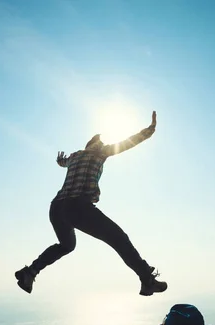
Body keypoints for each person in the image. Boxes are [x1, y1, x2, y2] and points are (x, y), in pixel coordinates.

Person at [15, 111, 167, 296]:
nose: (103, 144)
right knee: (119, 238)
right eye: (100, 142)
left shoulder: (74, 156)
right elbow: (129, 142)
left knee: (66, 246)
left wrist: (59, 160)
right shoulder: (100, 152)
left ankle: (30, 272)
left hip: (56, 208)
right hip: (78, 207)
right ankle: (147, 280)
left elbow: (63, 162)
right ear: (93, 145)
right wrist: (150, 130)